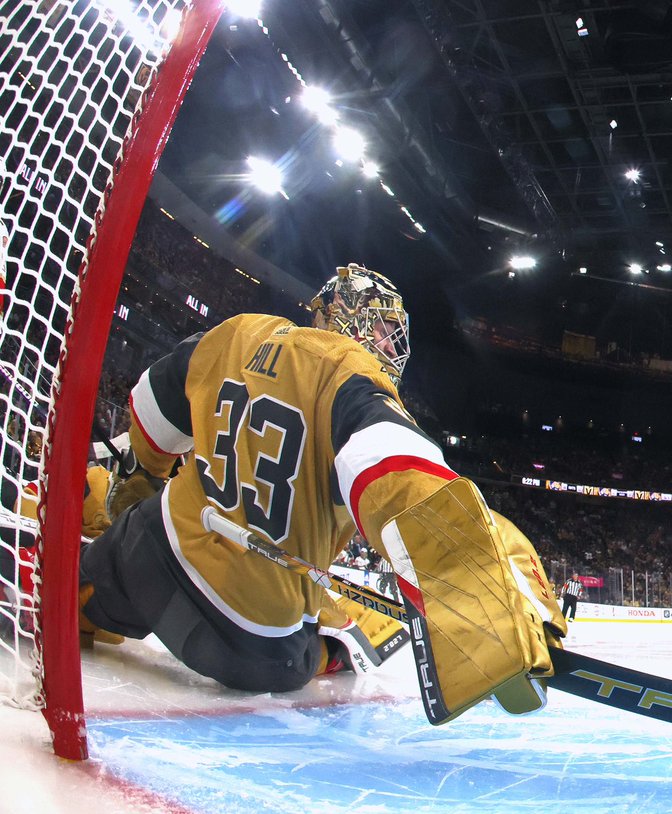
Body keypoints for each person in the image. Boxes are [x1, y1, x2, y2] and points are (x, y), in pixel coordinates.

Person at [78, 263, 567, 723]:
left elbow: (149, 409)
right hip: (253, 651)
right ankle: (337, 648)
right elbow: (403, 481)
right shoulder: (353, 381)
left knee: (95, 579)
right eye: (381, 330)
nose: (389, 348)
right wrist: (486, 590)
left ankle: (69, 593)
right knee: (324, 642)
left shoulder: (234, 333)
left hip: (153, 559)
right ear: (347, 320)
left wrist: (139, 484)